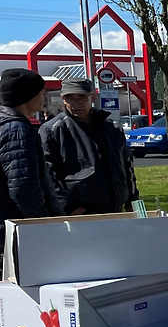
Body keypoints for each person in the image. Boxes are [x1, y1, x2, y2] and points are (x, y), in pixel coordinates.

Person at [40, 79, 138, 215]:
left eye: (82, 98)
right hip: (79, 213)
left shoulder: (111, 127)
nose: (76, 104)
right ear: (63, 98)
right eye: (70, 98)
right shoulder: (53, 129)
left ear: (92, 97)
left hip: (114, 208)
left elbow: (127, 166)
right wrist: (69, 206)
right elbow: (47, 173)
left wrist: (132, 200)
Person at [0, 68, 62, 224]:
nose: (44, 97)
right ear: (29, 97)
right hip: (16, 223)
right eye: (42, 93)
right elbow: (23, 186)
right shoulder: (17, 130)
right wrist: (41, 221)